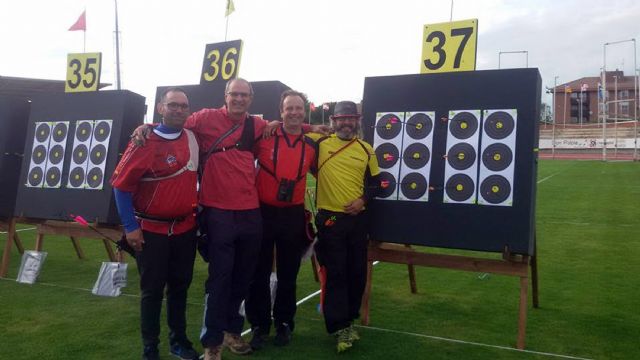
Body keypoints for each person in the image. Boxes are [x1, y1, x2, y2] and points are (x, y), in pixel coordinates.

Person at [133, 78, 328, 360]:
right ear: (225, 96)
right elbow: (172, 124)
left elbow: (290, 127)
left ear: (251, 99)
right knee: (220, 276)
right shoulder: (205, 118)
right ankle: (212, 342)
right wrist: (147, 127)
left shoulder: (258, 126)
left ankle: (231, 331)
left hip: (250, 210)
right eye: (234, 94)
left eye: (244, 95)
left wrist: (312, 127)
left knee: (244, 276)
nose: (238, 99)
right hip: (217, 209)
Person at [111, 87, 201, 360]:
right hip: (152, 231)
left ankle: (179, 341)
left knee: (180, 287)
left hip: (185, 229)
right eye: (172, 105)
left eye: (183, 106)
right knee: (151, 291)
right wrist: (130, 227)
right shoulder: (144, 141)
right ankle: (150, 346)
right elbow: (121, 186)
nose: (178, 110)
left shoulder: (193, 137)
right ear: (161, 108)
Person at [244, 90, 317, 350]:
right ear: (281, 111)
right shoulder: (264, 136)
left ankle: (284, 323)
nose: (294, 113)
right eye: (289, 109)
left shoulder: (311, 144)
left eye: (299, 108)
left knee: (289, 273)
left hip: (292, 215)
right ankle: (259, 327)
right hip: (262, 212)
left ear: (305, 111)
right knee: (258, 273)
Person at [309, 101, 381, 353]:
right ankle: (339, 326)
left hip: (358, 221)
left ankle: (349, 320)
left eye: (351, 119)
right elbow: (291, 131)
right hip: (331, 221)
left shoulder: (366, 148)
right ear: (333, 121)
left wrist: (363, 200)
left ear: (357, 121)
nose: (346, 123)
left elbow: (377, 183)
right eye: (341, 119)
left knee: (357, 273)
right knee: (336, 273)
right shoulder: (318, 145)